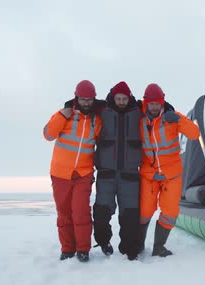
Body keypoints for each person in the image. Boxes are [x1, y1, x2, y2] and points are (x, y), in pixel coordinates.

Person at [43, 80, 102, 262]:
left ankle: (83, 249)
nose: (86, 103)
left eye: (89, 100)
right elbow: (48, 134)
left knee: (81, 211)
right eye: (83, 99)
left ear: (94, 99)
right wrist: (62, 115)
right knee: (64, 213)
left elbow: (104, 144)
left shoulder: (97, 120)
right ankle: (67, 248)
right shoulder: (64, 115)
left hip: (83, 174)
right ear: (77, 98)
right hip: (60, 173)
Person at [138, 83, 200, 257]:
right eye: (151, 103)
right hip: (148, 174)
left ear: (162, 102)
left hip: (171, 174)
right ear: (146, 103)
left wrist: (179, 120)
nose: (155, 107)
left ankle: (159, 247)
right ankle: (139, 245)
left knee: (170, 212)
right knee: (144, 212)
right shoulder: (139, 120)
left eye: (157, 103)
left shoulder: (172, 117)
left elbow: (195, 133)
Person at [92, 81, 142, 261]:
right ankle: (104, 242)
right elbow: (83, 102)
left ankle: (129, 249)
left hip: (130, 174)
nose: (121, 101)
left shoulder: (138, 111)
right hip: (106, 173)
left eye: (124, 98)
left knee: (130, 214)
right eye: (118, 98)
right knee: (101, 213)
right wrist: (70, 104)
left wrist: (167, 107)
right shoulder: (102, 110)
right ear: (113, 97)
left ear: (129, 98)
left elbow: (157, 106)